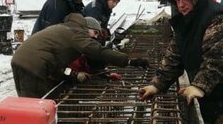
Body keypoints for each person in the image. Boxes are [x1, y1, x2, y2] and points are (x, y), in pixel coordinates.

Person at [12, 15, 148, 97]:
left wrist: (76, 75)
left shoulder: (66, 30)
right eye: (95, 33)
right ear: (87, 27)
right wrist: (128, 61)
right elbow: (99, 52)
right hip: (34, 65)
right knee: (36, 107)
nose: (95, 37)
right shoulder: (77, 34)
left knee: (27, 103)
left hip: (21, 60)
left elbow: (60, 67)